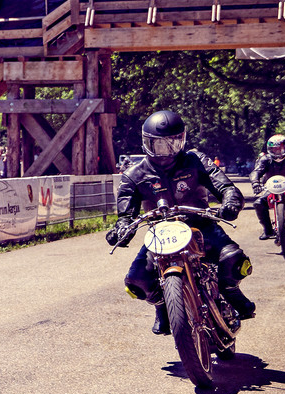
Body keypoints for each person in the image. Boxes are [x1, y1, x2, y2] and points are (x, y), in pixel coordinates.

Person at [105, 109, 255, 336]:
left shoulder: (197, 161)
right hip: (160, 233)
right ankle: (162, 307)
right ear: (146, 143)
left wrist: (231, 200)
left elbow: (224, 186)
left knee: (234, 260)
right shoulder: (134, 175)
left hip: (200, 224)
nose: (167, 151)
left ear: (182, 140)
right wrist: (121, 229)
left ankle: (231, 291)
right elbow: (126, 214)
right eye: (159, 145)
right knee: (136, 281)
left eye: (173, 143)